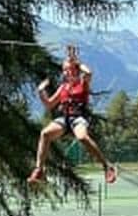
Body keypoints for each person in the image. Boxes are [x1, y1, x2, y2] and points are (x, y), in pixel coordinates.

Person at [28, 49, 117, 185]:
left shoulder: (83, 83)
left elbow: (88, 72)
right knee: (45, 134)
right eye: (64, 70)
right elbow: (49, 104)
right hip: (65, 119)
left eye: (69, 69)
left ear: (75, 70)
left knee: (82, 137)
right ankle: (39, 169)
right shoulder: (63, 87)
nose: (66, 72)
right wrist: (41, 91)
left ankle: (107, 166)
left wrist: (75, 61)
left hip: (78, 118)